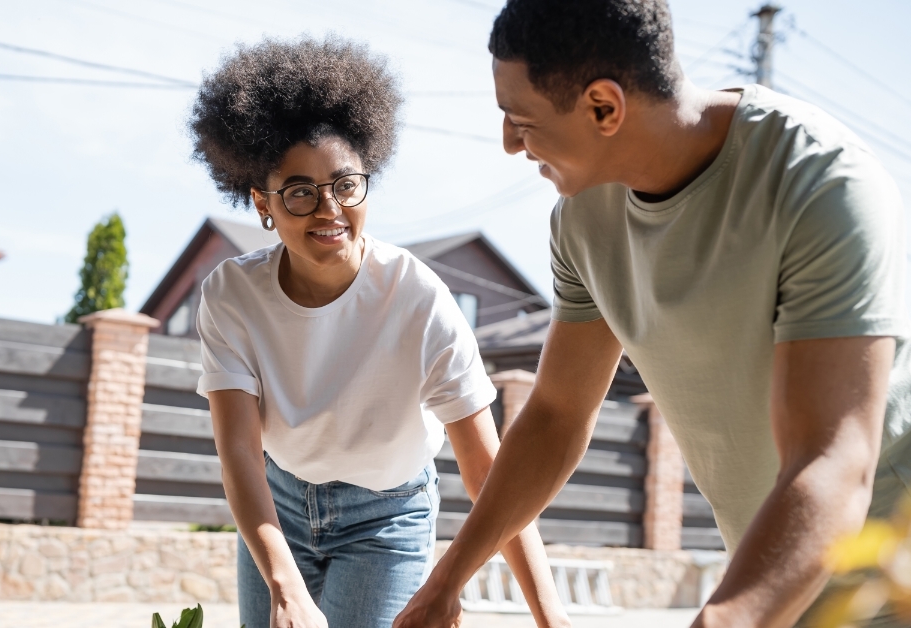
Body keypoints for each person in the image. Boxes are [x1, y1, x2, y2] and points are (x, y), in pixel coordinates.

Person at [394, 1, 910, 626]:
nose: (508, 143)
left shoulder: (820, 183)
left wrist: (723, 619)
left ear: (604, 107)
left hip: (888, 573)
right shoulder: (584, 219)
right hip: (771, 573)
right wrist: (446, 582)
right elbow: (556, 415)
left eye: (519, 119)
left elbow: (833, 460)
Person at [186, 37, 571, 628]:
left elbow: (488, 470)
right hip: (277, 508)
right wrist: (283, 586)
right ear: (262, 204)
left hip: (386, 518)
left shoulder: (417, 299)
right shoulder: (232, 295)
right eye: (299, 192)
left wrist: (552, 619)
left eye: (344, 184)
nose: (328, 209)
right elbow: (239, 452)